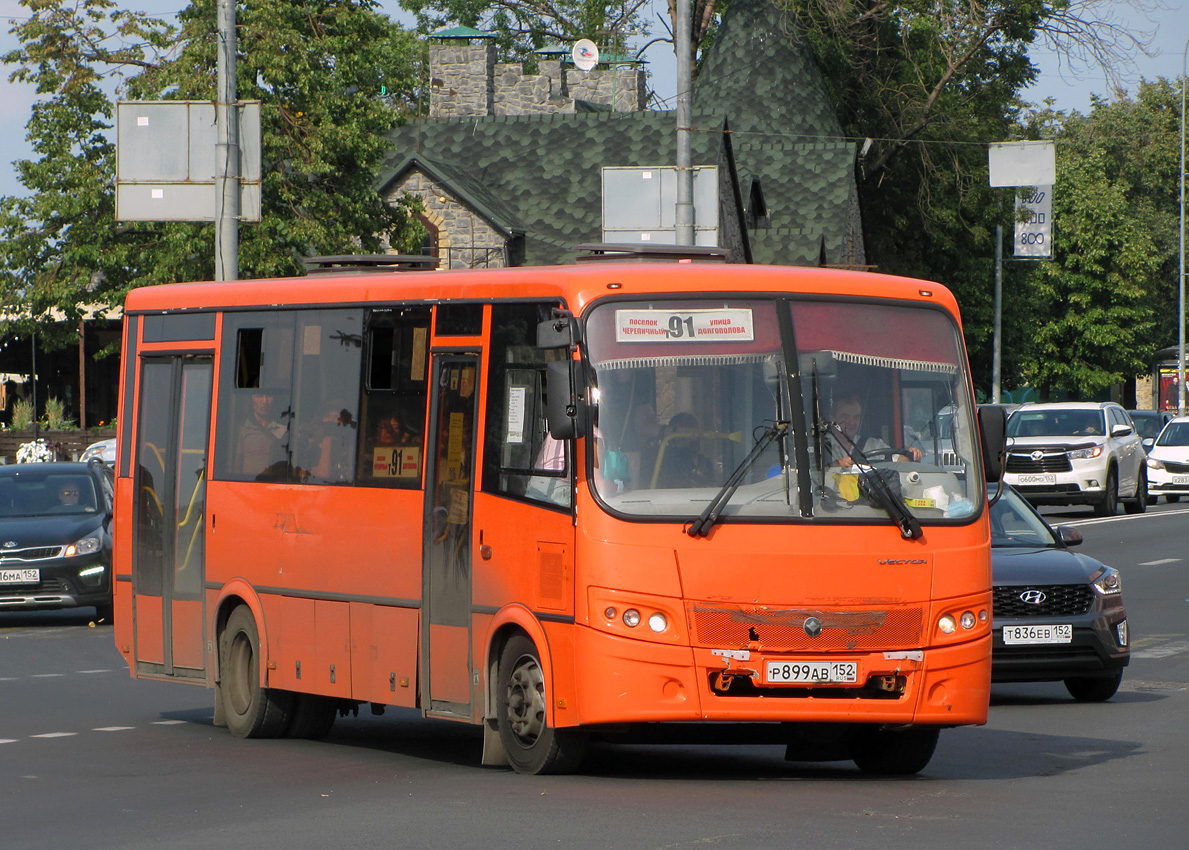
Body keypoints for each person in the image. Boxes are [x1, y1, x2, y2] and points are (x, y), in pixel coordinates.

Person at [828, 391, 921, 467]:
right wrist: (836, 465)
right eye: (845, 417)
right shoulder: (822, 447)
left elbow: (899, 461)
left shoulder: (874, 445)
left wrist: (911, 456)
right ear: (833, 419)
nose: (851, 422)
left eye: (856, 417)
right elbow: (816, 475)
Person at [234, 392, 289, 479]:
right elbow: (237, 467)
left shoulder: (284, 429)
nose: (264, 401)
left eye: (269, 395)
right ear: (251, 398)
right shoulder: (242, 429)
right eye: (259, 395)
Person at [654, 412, 715, 488]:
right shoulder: (660, 460)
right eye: (680, 434)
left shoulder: (704, 463)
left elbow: (710, 488)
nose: (683, 438)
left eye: (688, 434)